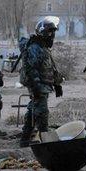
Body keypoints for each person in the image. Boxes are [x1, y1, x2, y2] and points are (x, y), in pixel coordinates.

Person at [19, 16, 63, 147]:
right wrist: (36, 86)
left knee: (34, 109)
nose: (52, 35)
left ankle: (25, 139)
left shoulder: (43, 47)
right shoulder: (35, 47)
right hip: (38, 85)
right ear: (43, 32)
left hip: (43, 85)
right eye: (50, 32)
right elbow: (31, 69)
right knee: (42, 112)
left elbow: (50, 67)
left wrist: (57, 83)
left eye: (53, 32)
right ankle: (45, 142)